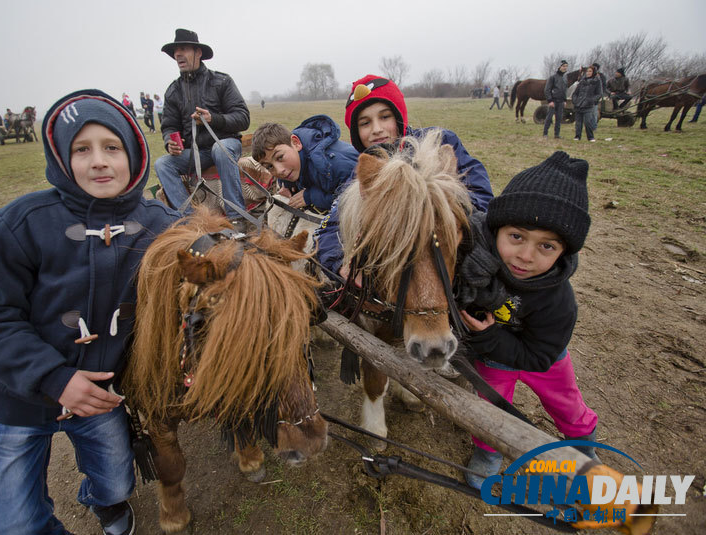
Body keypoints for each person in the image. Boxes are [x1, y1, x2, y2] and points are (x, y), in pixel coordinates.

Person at [0, 89, 177, 535]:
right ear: (61, 156)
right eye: (82, 149)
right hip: (16, 396)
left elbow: (206, 244)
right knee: (13, 526)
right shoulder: (18, 224)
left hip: (100, 396)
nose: (99, 161)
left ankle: (104, 502)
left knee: (117, 482)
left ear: (135, 153)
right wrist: (54, 379)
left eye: (111, 147)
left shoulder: (158, 223)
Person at [458, 151, 599, 489]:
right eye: (517, 237)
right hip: (492, 358)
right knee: (490, 410)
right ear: (496, 229)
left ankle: (582, 442)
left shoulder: (558, 301)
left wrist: (489, 338)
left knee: (567, 404)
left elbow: (539, 355)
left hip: (543, 361)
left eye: (546, 246)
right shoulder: (473, 262)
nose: (525, 255)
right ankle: (489, 453)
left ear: (564, 251)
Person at [314, 75, 493, 275]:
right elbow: (328, 229)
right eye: (365, 123)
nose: (377, 129)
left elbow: (482, 199)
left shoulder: (439, 142)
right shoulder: (359, 176)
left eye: (385, 117)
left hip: (451, 260)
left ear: (399, 117)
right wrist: (340, 265)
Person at [155, 28, 250, 230]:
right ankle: (191, 221)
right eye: (175, 51)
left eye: (183, 49)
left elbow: (243, 118)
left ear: (198, 53)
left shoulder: (222, 81)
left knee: (220, 149)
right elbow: (169, 125)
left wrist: (212, 118)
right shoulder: (173, 91)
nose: (178, 54)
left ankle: (236, 216)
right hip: (195, 153)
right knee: (162, 163)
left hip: (226, 145)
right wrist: (169, 142)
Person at [251, 116, 358, 213]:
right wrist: (287, 184)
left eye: (280, 157)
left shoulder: (335, 164)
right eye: (270, 166)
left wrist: (311, 196)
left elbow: (353, 200)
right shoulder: (293, 160)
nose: (279, 171)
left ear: (296, 143)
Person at [572, 65, 602, 142]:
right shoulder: (582, 81)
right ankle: (577, 136)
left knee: (588, 122)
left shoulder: (597, 81)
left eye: (590, 71)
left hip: (588, 105)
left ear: (593, 72)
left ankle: (590, 137)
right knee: (578, 123)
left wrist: (591, 100)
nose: (588, 73)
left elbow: (599, 94)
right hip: (579, 105)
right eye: (587, 71)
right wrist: (575, 101)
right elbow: (575, 93)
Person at [543, 60, 568, 139]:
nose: (565, 68)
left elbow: (564, 90)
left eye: (566, 66)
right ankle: (545, 133)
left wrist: (565, 100)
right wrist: (550, 100)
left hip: (561, 101)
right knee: (549, 118)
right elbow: (547, 90)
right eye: (563, 66)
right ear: (559, 67)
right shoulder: (553, 77)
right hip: (553, 101)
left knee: (559, 118)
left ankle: (557, 134)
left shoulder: (564, 78)